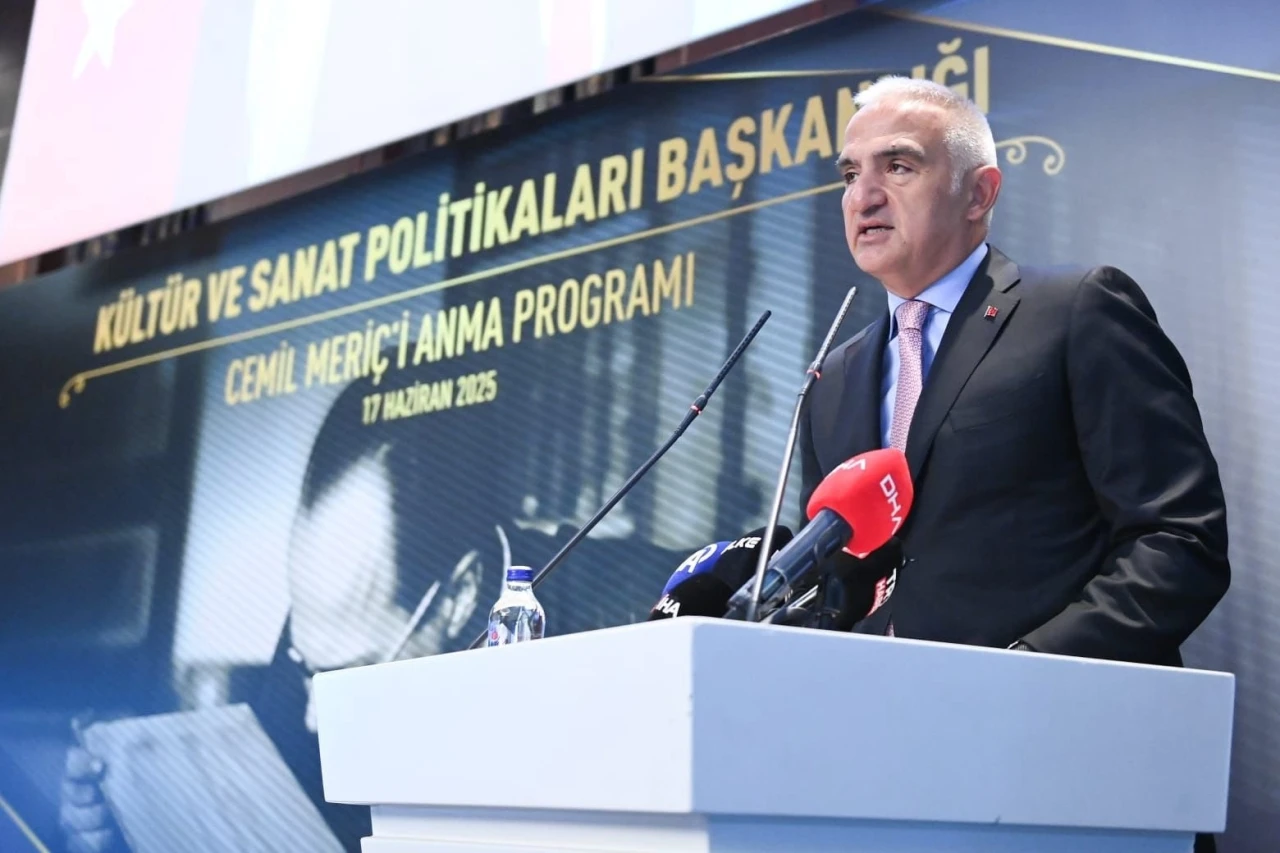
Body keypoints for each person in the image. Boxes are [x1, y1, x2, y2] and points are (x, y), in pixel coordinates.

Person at [798, 76, 1228, 850]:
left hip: (1075, 774)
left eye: (899, 165)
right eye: (849, 173)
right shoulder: (833, 381)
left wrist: (1023, 676)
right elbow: (843, 590)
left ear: (980, 193)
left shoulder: (1075, 311)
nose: (864, 196)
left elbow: (1178, 541)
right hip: (893, 783)